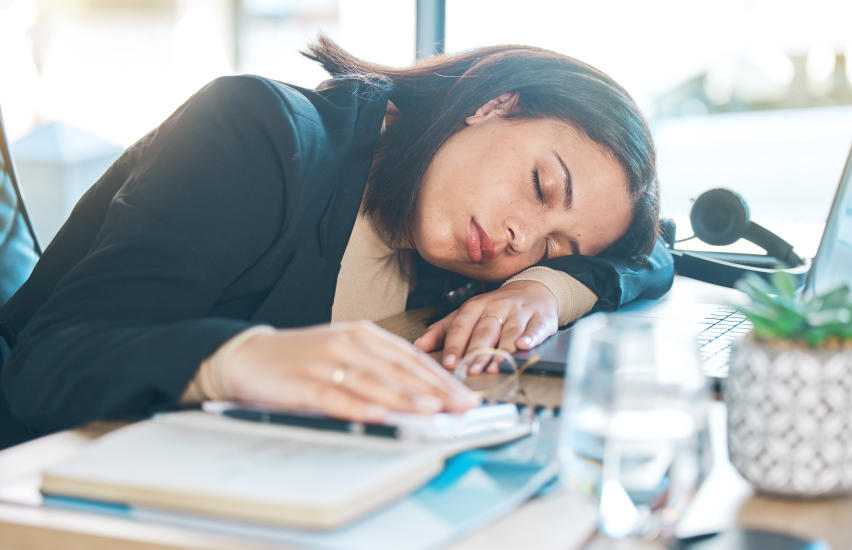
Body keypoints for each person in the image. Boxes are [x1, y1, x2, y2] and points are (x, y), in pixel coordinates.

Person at [0, 38, 673, 449]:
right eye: (538, 184)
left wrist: (547, 287)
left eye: (553, 247)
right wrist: (245, 359)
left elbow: (654, 253)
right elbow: (47, 364)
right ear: (494, 103)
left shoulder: (471, 248)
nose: (518, 239)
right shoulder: (259, 133)